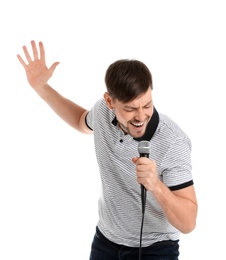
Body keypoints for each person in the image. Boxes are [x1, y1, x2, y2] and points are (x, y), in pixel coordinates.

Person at [17, 40, 198, 260]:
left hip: (155, 247)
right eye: (130, 109)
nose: (141, 116)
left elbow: (188, 223)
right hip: (106, 241)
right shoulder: (102, 112)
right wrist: (41, 87)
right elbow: (79, 120)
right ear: (110, 101)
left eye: (147, 105)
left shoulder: (173, 141)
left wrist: (156, 186)